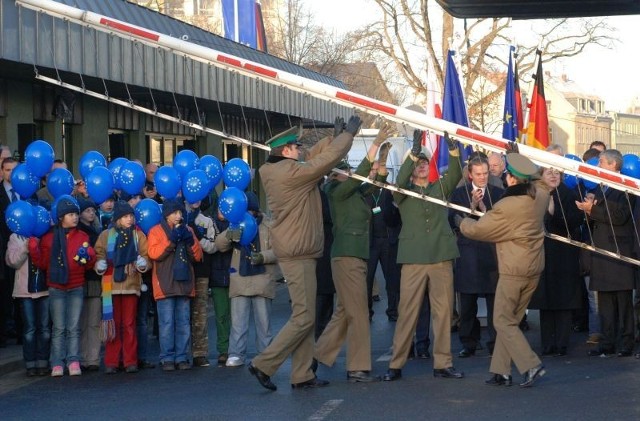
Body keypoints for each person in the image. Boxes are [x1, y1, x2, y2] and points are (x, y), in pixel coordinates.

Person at [248, 115, 361, 391]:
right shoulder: (292, 173)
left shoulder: (282, 169)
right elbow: (321, 162)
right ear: (286, 152)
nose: (300, 150)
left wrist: (332, 139)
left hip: (300, 250)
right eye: (296, 147)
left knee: (306, 315)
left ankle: (302, 374)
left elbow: (312, 156)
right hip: (297, 252)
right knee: (303, 317)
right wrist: (347, 137)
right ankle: (264, 364)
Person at [459, 149, 548, 388]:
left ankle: (531, 365)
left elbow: (478, 230)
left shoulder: (507, 205)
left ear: (510, 179)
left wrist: (462, 221)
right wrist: (520, 158)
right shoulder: (540, 195)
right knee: (512, 319)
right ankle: (502, 370)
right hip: (534, 267)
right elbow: (539, 179)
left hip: (513, 270)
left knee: (501, 320)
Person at [382, 130, 464, 382]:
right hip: (414, 258)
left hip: (440, 256)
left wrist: (453, 151)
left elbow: (457, 173)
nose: (420, 167)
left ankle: (443, 363)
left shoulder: (439, 187)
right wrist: (413, 153)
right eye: (418, 163)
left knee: (443, 312)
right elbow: (401, 180)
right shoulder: (402, 191)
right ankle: (396, 364)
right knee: (407, 312)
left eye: (424, 163)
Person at [315, 126, 391, 384]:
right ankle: (358, 367)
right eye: (345, 170)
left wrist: (381, 161)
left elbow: (374, 186)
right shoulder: (336, 192)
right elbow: (360, 177)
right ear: (336, 175)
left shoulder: (354, 194)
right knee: (358, 313)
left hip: (355, 256)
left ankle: (317, 354)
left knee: (345, 311)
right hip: (347, 256)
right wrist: (375, 144)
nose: (349, 173)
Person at [576, 149, 636, 357]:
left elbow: (620, 216)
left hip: (619, 251)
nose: (598, 166)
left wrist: (593, 209)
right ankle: (608, 342)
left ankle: (627, 342)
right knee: (606, 303)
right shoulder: (602, 188)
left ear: (613, 165)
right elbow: (599, 217)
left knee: (623, 302)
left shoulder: (627, 187)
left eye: (601, 162)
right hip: (602, 251)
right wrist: (589, 208)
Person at [29, 196, 96, 377]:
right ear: (61, 217)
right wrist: (34, 249)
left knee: (73, 327)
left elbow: (87, 264)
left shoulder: (82, 236)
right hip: (56, 286)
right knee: (59, 327)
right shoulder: (49, 238)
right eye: (71, 214)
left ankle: (73, 360)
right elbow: (43, 264)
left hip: (76, 285)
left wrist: (90, 255)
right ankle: (57, 362)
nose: (75, 217)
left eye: (76, 214)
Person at [217, 193, 280, 367]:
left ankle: (265, 356)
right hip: (239, 278)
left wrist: (263, 257)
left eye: (251, 211)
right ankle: (236, 354)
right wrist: (230, 234)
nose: (248, 214)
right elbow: (219, 245)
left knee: (264, 323)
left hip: (263, 279)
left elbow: (279, 251)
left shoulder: (269, 226)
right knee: (238, 321)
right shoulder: (235, 223)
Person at [449, 156, 504, 358]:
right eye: (478, 174)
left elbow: (500, 221)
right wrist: (472, 206)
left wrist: (483, 210)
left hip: (491, 252)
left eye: (485, 173)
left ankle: (495, 341)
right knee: (468, 301)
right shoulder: (458, 194)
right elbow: (453, 221)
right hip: (468, 253)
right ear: (470, 174)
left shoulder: (498, 193)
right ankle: (469, 342)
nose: (482, 177)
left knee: (493, 301)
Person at [528, 167, 582, 357]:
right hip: (542, 253)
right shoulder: (534, 193)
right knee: (546, 301)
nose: (553, 176)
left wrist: (553, 212)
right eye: (548, 173)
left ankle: (562, 344)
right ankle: (547, 344)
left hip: (564, 255)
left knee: (563, 301)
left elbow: (576, 220)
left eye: (556, 173)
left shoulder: (569, 194)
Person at [95, 201, 151, 374]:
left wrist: (143, 264)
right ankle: (112, 361)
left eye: (131, 216)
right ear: (118, 219)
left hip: (130, 285)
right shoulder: (106, 235)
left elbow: (146, 255)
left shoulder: (138, 236)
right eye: (126, 216)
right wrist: (100, 264)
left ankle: (130, 361)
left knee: (128, 324)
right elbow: (99, 253)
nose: (130, 219)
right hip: (110, 286)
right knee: (112, 324)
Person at [147, 199, 203, 371]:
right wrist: (171, 241)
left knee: (184, 322)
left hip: (184, 282)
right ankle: (167, 357)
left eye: (180, 213)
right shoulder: (156, 231)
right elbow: (154, 254)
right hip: (164, 283)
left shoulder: (188, 230)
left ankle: (181, 357)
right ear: (166, 215)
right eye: (175, 213)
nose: (179, 216)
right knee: (167, 323)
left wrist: (190, 241)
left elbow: (198, 256)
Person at [7, 231, 50, 376]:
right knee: (29, 329)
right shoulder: (15, 237)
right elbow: (12, 261)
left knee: (44, 328)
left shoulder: (44, 235)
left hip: (44, 289)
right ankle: (30, 364)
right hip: (25, 291)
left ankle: (43, 361)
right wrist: (26, 247)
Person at [184, 198, 217, 368]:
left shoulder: (207, 221)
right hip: (181, 272)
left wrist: (198, 235)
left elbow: (213, 247)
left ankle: (200, 353)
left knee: (200, 314)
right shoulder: (177, 217)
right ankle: (180, 353)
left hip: (201, 271)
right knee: (182, 315)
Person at [77, 198, 103, 372]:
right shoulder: (78, 233)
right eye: (87, 211)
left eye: (93, 210)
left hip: (95, 279)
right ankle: (81, 356)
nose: (91, 213)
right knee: (81, 321)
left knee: (93, 320)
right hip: (80, 279)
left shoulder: (99, 232)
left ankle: (92, 357)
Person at [210, 209, 233, 366]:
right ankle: (223, 350)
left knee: (236, 316)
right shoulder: (211, 225)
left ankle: (235, 349)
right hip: (217, 274)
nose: (222, 211)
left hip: (234, 274)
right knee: (221, 315)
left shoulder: (236, 223)